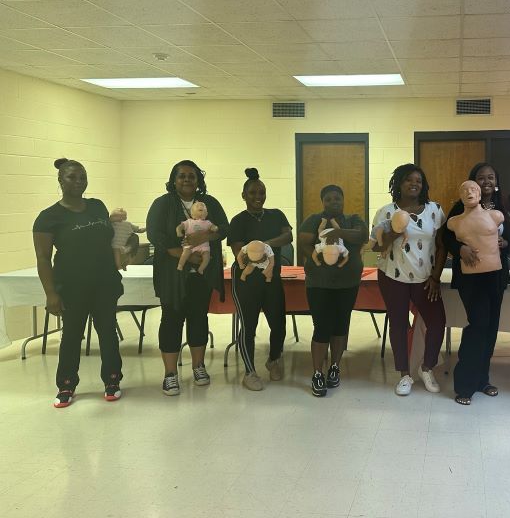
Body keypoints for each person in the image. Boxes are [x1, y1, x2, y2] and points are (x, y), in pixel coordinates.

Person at [33, 158, 124, 408]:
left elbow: (109, 239)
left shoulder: (97, 207)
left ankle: (112, 380)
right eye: (72, 177)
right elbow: (43, 258)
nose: (78, 182)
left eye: (82, 177)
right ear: (60, 180)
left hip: (104, 283)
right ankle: (66, 384)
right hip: (71, 288)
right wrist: (51, 293)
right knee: (71, 336)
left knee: (108, 333)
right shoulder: (48, 217)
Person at [146, 160, 228, 396]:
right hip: (172, 272)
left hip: (202, 274)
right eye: (181, 176)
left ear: (198, 180)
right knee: (171, 319)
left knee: (198, 318)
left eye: (191, 176)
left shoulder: (209, 203)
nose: (186, 180)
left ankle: (198, 367)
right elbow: (154, 233)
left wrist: (203, 236)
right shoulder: (163, 203)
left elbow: (224, 228)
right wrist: (177, 253)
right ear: (174, 180)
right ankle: (170, 374)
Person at [441, 162, 510, 402]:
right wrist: (460, 248)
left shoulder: (502, 206)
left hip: (496, 276)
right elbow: (445, 235)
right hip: (470, 277)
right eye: (481, 178)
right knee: (478, 325)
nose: (486, 182)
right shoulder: (461, 205)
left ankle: (482, 380)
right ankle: (464, 384)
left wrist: (507, 244)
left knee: (491, 328)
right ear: (472, 181)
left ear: (496, 181)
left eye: (491, 177)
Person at [373, 163, 446, 396]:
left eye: (418, 180)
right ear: (398, 184)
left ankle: (427, 368)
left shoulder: (435, 210)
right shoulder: (386, 211)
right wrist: (395, 230)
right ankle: (404, 374)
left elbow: (443, 245)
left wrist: (436, 277)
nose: (414, 184)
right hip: (393, 277)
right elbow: (377, 246)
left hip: (426, 279)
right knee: (398, 324)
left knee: (437, 321)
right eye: (408, 179)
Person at [298, 185, 368, 397]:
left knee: (340, 325)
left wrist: (337, 232)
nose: (333, 202)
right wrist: (315, 257)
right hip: (318, 283)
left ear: (343, 199)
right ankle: (317, 373)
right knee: (321, 326)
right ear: (323, 202)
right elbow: (303, 241)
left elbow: (362, 236)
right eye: (328, 199)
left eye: (337, 198)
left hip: (348, 283)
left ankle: (335, 367)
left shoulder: (354, 219)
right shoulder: (313, 219)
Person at [227, 168, 293, 391]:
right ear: (243, 195)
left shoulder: (276, 215)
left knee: (279, 323)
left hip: (271, 277)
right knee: (249, 325)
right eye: (253, 193)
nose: (258, 196)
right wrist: (257, 250)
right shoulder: (237, 221)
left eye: (262, 192)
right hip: (246, 281)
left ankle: (274, 359)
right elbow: (240, 252)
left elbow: (288, 235)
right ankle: (249, 372)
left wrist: (263, 245)